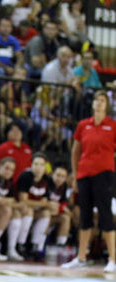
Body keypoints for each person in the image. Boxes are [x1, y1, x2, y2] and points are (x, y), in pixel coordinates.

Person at [62, 90, 116, 272]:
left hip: (105, 174)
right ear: (92, 104)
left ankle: (113, 260)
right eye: (96, 100)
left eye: (102, 100)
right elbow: (75, 152)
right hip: (84, 174)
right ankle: (81, 257)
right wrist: (76, 175)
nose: (99, 103)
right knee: (84, 216)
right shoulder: (83, 125)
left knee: (105, 216)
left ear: (106, 105)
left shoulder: (113, 125)